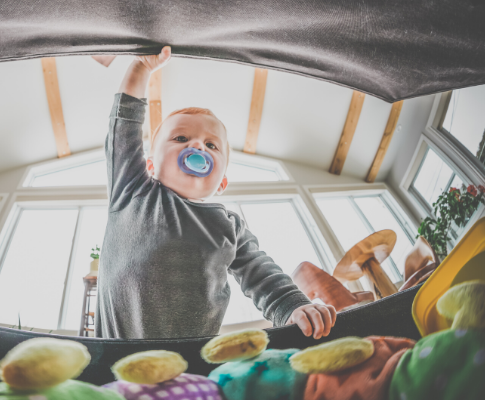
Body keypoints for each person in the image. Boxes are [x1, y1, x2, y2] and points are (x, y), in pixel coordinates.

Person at [96, 46, 336, 340]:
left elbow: (260, 272)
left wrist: (291, 306)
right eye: (181, 138)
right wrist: (141, 68)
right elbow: (123, 130)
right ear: (150, 166)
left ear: (221, 182)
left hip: (191, 361)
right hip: (117, 353)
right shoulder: (133, 192)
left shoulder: (229, 226)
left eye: (211, 145)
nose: (197, 147)